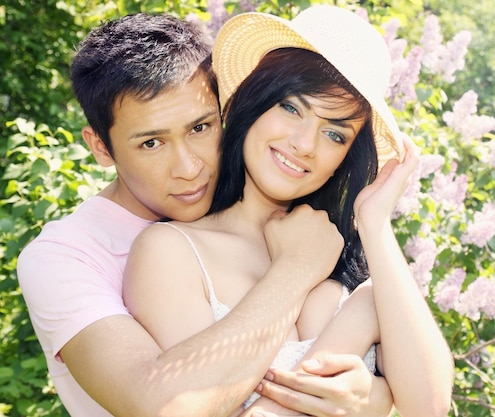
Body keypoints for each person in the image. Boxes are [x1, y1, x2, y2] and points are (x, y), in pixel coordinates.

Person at [17, 13, 393, 417]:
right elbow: (162, 405)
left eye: (200, 128)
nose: (189, 168)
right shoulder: (64, 256)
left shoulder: (256, 203)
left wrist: (375, 397)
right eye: (151, 143)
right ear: (101, 147)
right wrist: (297, 269)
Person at [123, 6, 454, 417]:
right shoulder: (171, 251)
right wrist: (351, 326)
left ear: (346, 156)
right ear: (253, 101)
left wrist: (375, 224)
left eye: (334, 133)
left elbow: (430, 407)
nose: (305, 144)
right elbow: (188, 409)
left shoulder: (356, 275)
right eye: (292, 108)